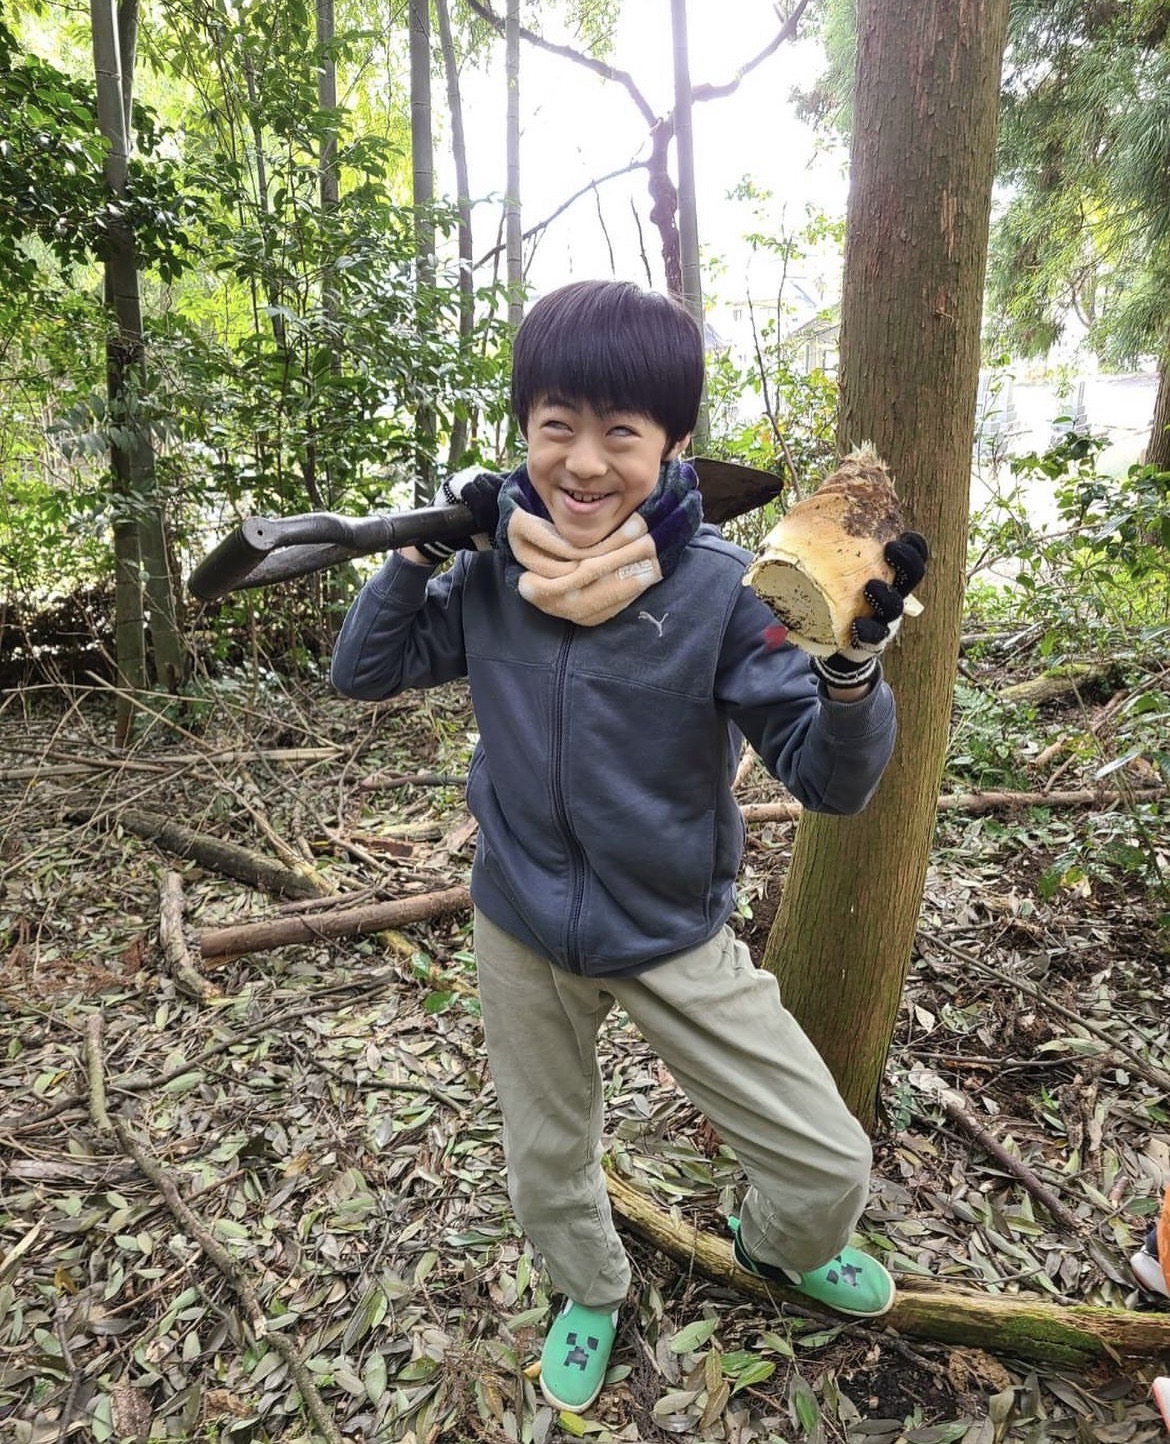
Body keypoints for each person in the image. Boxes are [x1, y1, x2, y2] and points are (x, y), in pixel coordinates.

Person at [331, 280, 928, 1414]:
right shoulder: (494, 569)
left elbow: (831, 779)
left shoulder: (720, 592)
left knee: (824, 1161)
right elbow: (364, 671)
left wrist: (849, 670)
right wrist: (418, 553)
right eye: (558, 424)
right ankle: (589, 1290)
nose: (586, 461)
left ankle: (778, 1245)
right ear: (524, 432)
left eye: (623, 432)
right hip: (520, 920)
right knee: (548, 1157)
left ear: (675, 445)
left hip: (667, 930)